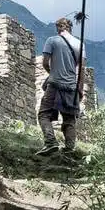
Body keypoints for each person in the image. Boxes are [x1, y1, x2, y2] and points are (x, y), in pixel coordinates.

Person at [36, 17, 85, 156]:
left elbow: (45, 62)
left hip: (55, 84)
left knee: (44, 114)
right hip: (71, 87)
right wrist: (80, 89)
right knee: (69, 119)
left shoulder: (52, 40)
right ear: (70, 28)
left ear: (58, 28)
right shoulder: (79, 44)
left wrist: (53, 73)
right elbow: (81, 69)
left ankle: (50, 143)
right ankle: (70, 150)